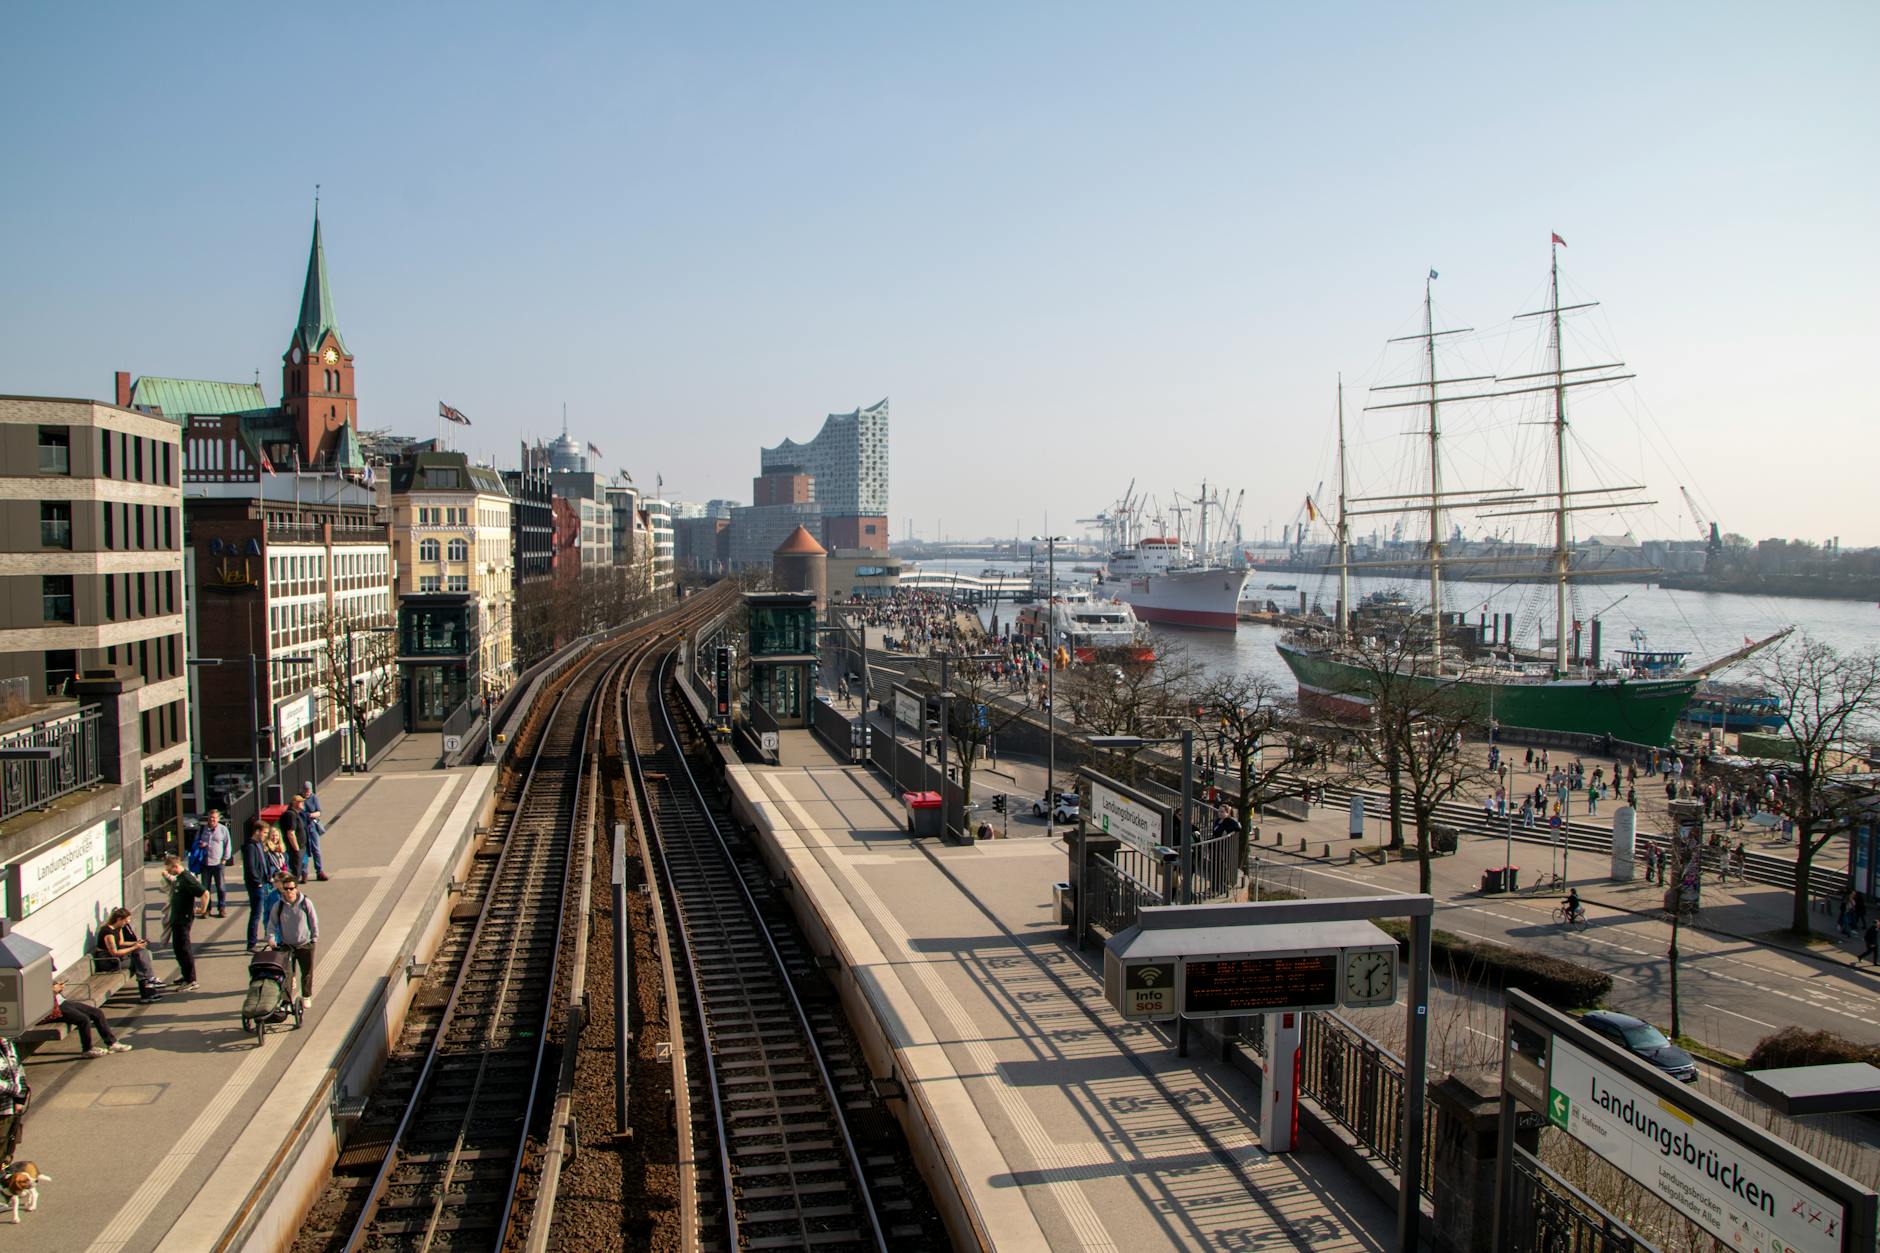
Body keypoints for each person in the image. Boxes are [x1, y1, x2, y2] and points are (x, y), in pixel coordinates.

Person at [268, 875, 320, 1006]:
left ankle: (306, 996)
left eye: (291, 888)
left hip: (305, 943)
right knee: (287, 975)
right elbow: (272, 924)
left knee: (307, 972)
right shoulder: (278, 906)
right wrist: (271, 938)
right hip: (287, 945)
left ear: (296, 889)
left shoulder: (305, 903)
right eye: (286, 889)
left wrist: (314, 938)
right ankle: (286, 1001)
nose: (289, 892)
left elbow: (313, 921)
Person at [50, 974, 131, 1058]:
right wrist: (53, 990)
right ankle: (87, 1049)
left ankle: (112, 1043)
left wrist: (58, 988)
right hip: (53, 1008)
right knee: (83, 1019)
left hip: (62, 1002)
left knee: (97, 1013)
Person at [95, 907, 164, 1001]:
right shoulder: (108, 933)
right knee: (140, 962)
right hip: (108, 961)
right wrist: (135, 947)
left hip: (117, 957)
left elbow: (121, 943)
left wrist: (136, 943)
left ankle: (148, 987)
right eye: (126, 920)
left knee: (143, 953)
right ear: (119, 919)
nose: (127, 922)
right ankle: (148, 990)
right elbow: (114, 952)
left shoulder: (118, 928)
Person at [161, 853, 206, 990]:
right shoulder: (179, 878)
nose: (168, 871)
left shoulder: (186, 878)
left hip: (183, 920)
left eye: (169, 869)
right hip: (177, 919)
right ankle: (186, 975)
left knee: (184, 949)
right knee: (178, 949)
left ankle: (191, 979)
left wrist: (203, 909)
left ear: (175, 866)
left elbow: (204, 893)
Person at [241, 816, 273, 950]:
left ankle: (262, 936)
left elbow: (264, 862)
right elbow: (250, 867)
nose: (266, 836)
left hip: (264, 881)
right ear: (257, 831)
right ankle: (251, 943)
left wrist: (268, 876)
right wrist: (257, 881)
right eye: (264, 833)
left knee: (264, 910)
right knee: (256, 913)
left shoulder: (259, 844)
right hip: (256, 885)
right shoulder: (250, 846)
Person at [194, 809, 232, 917]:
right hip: (205, 863)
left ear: (218, 819)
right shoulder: (202, 830)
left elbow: (228, 844)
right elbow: (195, 843)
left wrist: (225, 858)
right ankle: (206, 909)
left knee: (220, 887)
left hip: (218, 863)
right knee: (205, 888)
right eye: (211, 818)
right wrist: (201, 844)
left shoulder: (223, 829)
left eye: (214, 818)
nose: (212, 820)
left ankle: (221, 908)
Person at [299, 782, 330, 882]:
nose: (307, 794)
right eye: (305, 792)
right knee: (304, 850)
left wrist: (311, 815)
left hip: (312, 826)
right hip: (302, 828)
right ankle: (304, 872)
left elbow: (319, 812)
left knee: (316, 849)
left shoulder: (314, 798)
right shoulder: (298, 799)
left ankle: (319, 871)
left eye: (308, 792)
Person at [280, 795, 306, 881]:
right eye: (300, 802)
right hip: (295, 848)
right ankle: (291, 888)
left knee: (298, 869)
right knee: (296, 871)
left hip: (300, 846)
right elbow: (290, 833)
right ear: (294, 803)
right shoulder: (291, 815)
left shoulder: (296, 814)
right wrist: (297, 849)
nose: (303, 803)